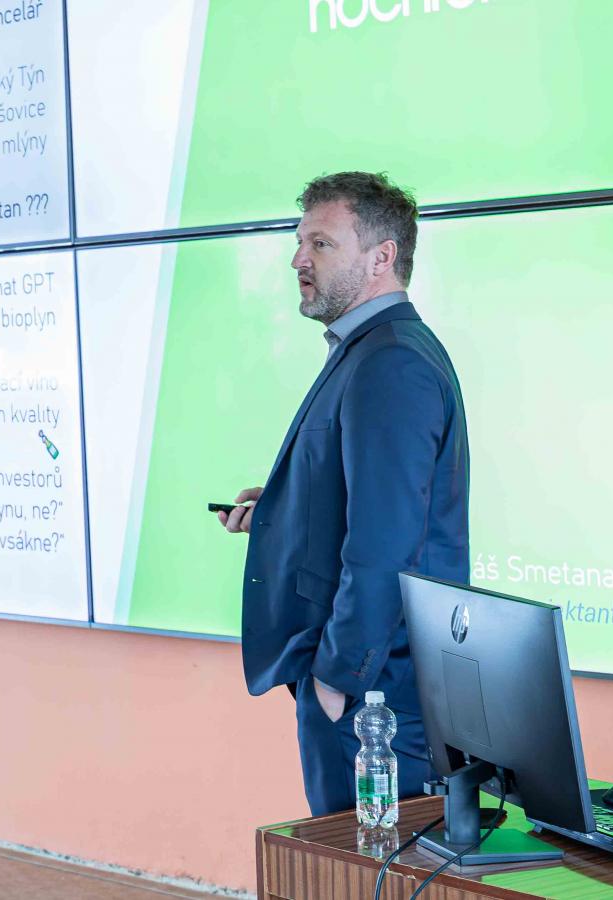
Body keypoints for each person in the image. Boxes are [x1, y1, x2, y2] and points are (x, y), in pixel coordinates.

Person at [218, 172, 469, 816]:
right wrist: (281, 508)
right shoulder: (372, 350)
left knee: (363, 865)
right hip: (370, 688)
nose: (298, 260)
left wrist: (336, 678)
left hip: (375, 696)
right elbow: (366, 502)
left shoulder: (391, 362)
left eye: (321, 244)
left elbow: (387, 544)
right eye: (300, 242)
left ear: (382, 257)